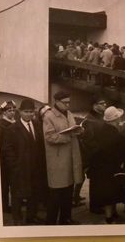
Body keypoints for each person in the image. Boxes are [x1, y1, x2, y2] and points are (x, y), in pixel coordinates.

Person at [43, 91, 84, 225]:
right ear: (56, 102)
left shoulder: (69, 113)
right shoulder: (49, 116)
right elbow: (49, 137)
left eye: (68, 102)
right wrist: (67, 137)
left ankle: (66, 219)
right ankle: (51, 222)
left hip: (70, 158)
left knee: (68, 191)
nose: (67, 105)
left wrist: (78, 131)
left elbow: (71, 128)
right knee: (56, 193)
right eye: (64, 102)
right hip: (58, 160)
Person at [4, 98, 47, 225]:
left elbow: (40, 146)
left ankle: (31, 217)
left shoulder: (37, 125)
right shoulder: (12, 128)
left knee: (34, 194)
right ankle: (17, 219)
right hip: (20, 169)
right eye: (26, 112)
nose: (29, 114)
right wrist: (15, 167)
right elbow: (7, 150)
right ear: (20, 112)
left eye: (31, 112)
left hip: (35, 168)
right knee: (17, 195)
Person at [89, 106, 125, 223]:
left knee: (108, 193)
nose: (120, 120)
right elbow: (123, 150)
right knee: (110, 193)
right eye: (118, 118)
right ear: (114, 120)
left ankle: (112, 214)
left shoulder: (100, 130)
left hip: (100, 168)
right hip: (111, 168)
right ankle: (109, 217)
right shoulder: (116, 135)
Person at [0, 100, 17, 214]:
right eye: (9, 110)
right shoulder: (2, 125)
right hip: (4, 160)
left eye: (14, 110)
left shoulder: (13, 122)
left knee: (13, 183)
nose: (12, 112)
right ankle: (4, 206)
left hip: (13, 157)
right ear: (4, 112)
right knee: (5, 184)